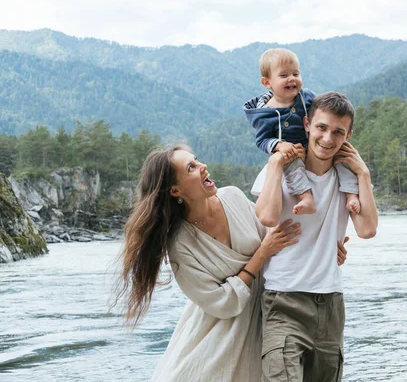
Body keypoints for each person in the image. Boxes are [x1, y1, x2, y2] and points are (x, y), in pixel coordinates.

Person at [112, 144, 348, 382]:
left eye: (197, 160)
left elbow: (277, 236)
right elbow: (220, 303)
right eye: (191, 168)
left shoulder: (233, 197)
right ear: (175, 190)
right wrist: (261, 255)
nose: (203, 166)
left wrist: (325, 249)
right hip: (218, 336)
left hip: (268, 317)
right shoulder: (180, 244)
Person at [254, 92, 378, 381]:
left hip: (330, 305)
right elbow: (268, 217)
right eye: (321, 127)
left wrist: (364, 174)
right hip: (283, 301)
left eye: (338, 132)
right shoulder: (282, 170)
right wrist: (274, 163)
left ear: (348, 135)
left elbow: (367, 230)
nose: (327, 138)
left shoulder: (349, 180)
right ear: (307, 124)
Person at [244, 48, 361, 216]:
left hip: (315, 146)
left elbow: (323, 112)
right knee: (293, 169)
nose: (292, 79)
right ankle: (306, 197)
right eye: (284, 75)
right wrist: (279, 145)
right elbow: (262, 140)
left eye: (296, 74)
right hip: (292, 152)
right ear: (267, 82)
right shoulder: (264, 113)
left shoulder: (306, 97)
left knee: (342, 158)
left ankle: (351, 195)